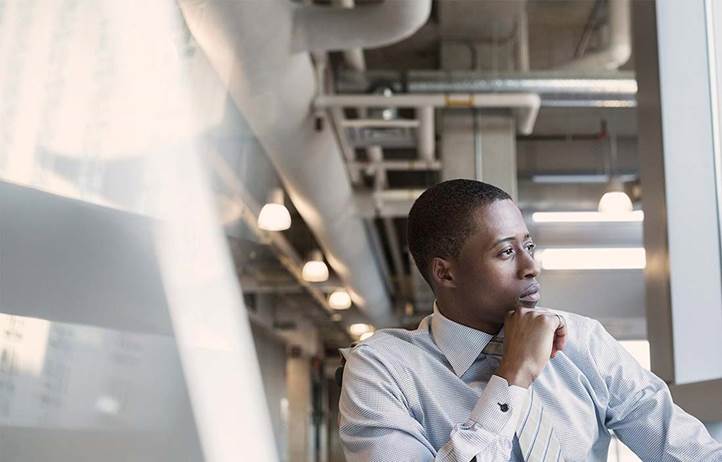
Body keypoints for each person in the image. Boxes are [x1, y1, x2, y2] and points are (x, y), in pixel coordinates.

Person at [338, 179, 722, 462]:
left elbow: (686, 449)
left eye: (529, 246)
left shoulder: (581, 340)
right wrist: (512, 377)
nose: (531, 266)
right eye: (506, 252)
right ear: (446, 273)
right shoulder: (382, 368)